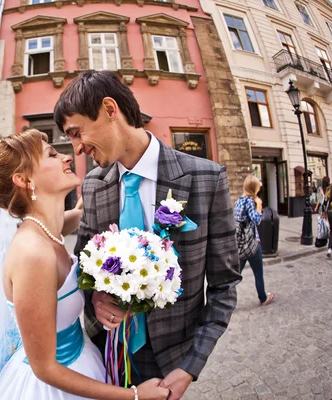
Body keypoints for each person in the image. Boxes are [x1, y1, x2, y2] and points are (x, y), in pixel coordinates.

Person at [0, 130, 169, 400]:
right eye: (52, 155)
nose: (67, 157)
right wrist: (134, 395)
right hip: (52, 387)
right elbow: (44, 368)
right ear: (23, 179)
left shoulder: (48, 229)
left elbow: (73, 218)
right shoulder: (33, 254)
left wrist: (89, 202)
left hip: (84, 359)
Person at [54, 71, 242, 397]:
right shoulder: (94, 186)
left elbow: (224, 286)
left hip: (170, 357)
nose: (77, 148)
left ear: (110, 109)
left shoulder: (206, 179)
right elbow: (84, 266)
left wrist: (191, 366)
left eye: (76, 132)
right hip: (105, 351)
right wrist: (95, 298)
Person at [234, 175, 275, 306]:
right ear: (253, 188)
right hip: (252, 244)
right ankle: (263, 298)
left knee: (235, 276)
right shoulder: (250, 202)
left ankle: (224, 300)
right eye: (257, 187)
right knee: (258, 273)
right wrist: (259, 205)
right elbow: (257, 219)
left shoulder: (239, 201)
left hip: (240, 245)